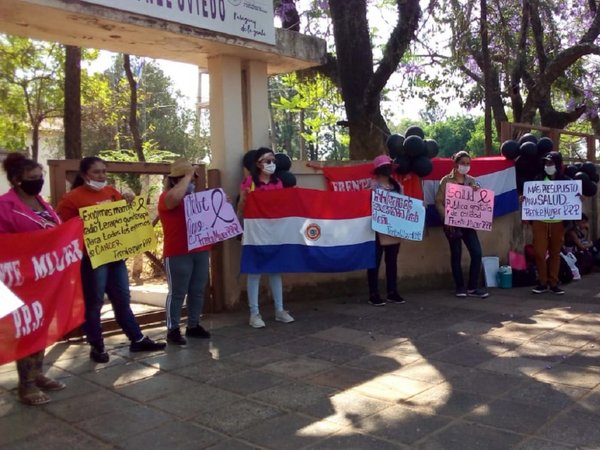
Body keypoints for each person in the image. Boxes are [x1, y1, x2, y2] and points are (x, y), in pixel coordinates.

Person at [56, 156, 166, 363]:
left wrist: (130, 203)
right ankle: (97, 346)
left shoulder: (112, 193)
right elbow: (63, 228)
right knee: (94, 302)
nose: (102, 176)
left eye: (104, 171)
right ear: (84, 175)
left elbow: (123, 220)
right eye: (97, 172)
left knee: (122, 299)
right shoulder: (71, 199)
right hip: (92, 259)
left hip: (115, 258)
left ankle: (137, 339)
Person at [0, 153, 66, 405]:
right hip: (19, 281)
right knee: (25, 330)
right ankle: (25, 386)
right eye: (32, 178)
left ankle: (38, 373)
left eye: (40, 177)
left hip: (44, 278)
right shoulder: (4, 206)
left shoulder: (41, 202)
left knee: (40, 326)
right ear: (17, 180)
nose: (38, 181)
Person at [238, 147, 294, 328]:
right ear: (258, 164)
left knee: (275, 271)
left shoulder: (278, 183)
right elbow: (240, 209)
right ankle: (254, 313)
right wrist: (244, 199)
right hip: (255, 233)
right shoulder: (249, 183)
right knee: (254, 272)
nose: (271, 164)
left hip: (274, 232)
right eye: (267, 161)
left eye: (273, 161)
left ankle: (280, 310)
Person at [158, 158, 211, 345]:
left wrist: (220, 204)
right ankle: (172, 329)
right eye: (186, 178)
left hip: (200, 250)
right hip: (177, 252)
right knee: (178, 292)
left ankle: (193, 325)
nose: (191, 182)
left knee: (197, 290)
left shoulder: (196, 199)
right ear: (174, 180)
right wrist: (187, 175)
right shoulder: (165, 197)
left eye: (193, 178)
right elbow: (173, 201)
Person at [435, 151, 489, 298]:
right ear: (456, 164)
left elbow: (478, 201)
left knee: (477, 253)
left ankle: (472, 287)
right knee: (456, 253)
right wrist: (447, 218)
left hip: (468, 223)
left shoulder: (472, 180)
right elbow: (438, 202)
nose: (465, 166)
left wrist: (477, 191)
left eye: (468, 163)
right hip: (452, 224)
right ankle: (460, 287)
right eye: (463, 163)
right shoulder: (446, 181)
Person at [367, 155, 406, 306]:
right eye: (385, 167)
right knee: (374, 262)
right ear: (378, 170)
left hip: (393, 229)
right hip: (376, 230)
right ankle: (373, 293)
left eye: (389, 166)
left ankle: (392, 291)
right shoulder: (372, 186)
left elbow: (404, 206)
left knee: (392, 261)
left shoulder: (398, 186)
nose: (388, 169)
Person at [529, 151, 569, 295]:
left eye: (550, 163)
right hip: (540, 221)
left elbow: (572, 198)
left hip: (558, 222)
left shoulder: (566, 182)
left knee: (555, 253)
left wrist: (579, 197)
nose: (548, 165)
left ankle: (553, 282)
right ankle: (542, 281)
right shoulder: (538, 179)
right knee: (539, 252)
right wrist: (524, 199)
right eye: (546, 163)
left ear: (557, 164)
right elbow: (531, 196)